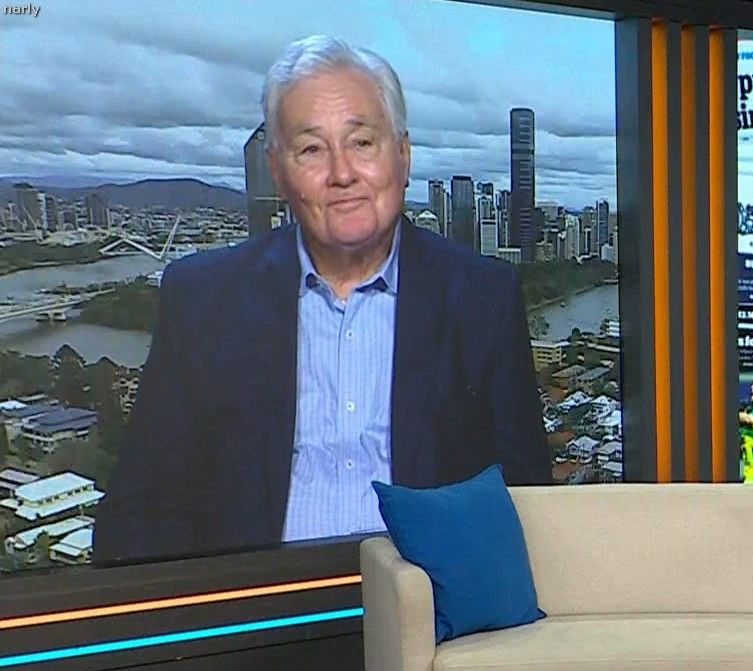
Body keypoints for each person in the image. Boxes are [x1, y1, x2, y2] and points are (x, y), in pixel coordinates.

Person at [94, 35, 548, 567]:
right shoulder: (201, 300)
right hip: (260, 602)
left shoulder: (484, 298)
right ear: (278, 171)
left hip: (428, 600)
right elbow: (137, 515)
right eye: (311, 149)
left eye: (362, 143)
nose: (342, 173)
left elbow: (528, 500)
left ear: (402, 156)